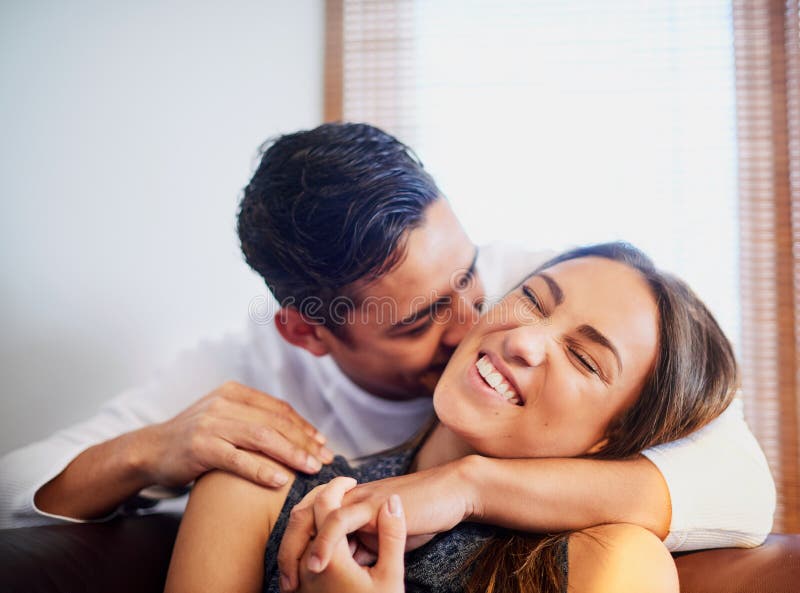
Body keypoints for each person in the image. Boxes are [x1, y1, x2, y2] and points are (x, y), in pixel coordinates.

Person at [0, 124, 773, 561]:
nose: (475, 326)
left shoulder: (534, 301)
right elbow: (18, 499)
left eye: (471, 278)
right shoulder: (245, 373)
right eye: (417, 321)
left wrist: (470, 484)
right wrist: (148, 452)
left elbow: (740, 485)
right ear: (308, 332)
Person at [164, 242, 737, 593]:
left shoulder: (609, 565)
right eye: (534, 300)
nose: (526, 342)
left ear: (613, 436)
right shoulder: (257, 489)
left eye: (584, 358)